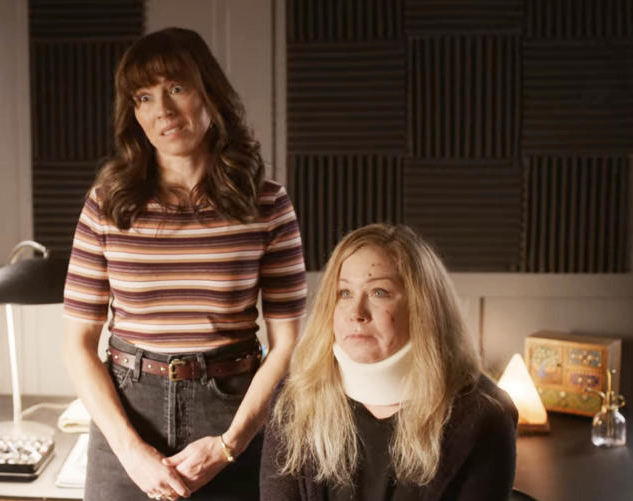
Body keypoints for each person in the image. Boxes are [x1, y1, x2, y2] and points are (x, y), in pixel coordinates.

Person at [61, 27, 306, 501]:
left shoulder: (267, 204)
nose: (163, 111)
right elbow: (78, 344)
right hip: (129, 412)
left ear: (208, 92)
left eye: (176, 88)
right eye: (144, 97)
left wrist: (229, 445)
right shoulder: (106, 205)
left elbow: (288, 345)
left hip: (234, 413)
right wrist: (130, 450)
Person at [261, 223, 517, 500]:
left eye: (378, 292)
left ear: (422, 308)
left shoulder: (484, 417)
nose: (356, 313)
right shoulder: (295, 401)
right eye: (344, 294)